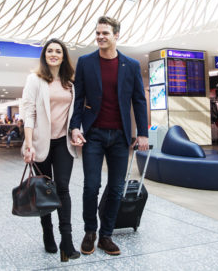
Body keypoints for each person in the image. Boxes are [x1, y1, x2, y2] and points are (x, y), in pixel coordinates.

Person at [69, 16, 149, 257]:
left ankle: (106, 235)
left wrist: (142, 133)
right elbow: (79, 98)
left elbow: (138, 100)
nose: (100, 37)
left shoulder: (131, 65)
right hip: (93, 134)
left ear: (116, 35)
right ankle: (90, 232)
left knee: (115, 188)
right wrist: (75, 127)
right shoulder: (85, 62)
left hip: (120, 137)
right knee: (91, 186)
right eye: (98, 33)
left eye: (105, 33)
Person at [21, 38, 81, 262]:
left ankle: (67, 240)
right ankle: (48, 233)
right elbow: (28, 112)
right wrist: (29, 144)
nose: (53, 54)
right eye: (49, 51)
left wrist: (76, 131)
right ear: (44, 55)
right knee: (45, 189)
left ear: (64, 56)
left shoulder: (70, 83)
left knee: (63, 188)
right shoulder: (35, 79)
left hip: (63, 143)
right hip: (40, 142)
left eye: (58, 51)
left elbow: (75, 113)